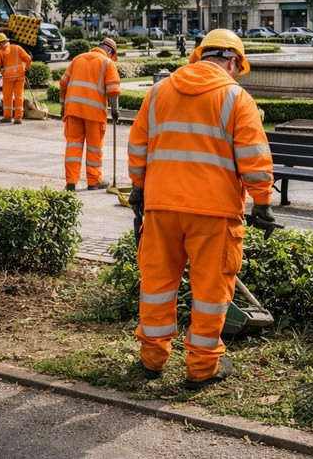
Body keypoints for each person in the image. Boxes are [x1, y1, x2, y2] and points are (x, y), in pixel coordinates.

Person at [127, 29, 274, 389]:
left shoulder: (158, 91)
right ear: (233, 62)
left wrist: (138, 188)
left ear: (199, 56)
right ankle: (203, 367)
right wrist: (263, 203)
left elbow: (138, 147)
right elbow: (254, 159)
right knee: (210, 292)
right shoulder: (236, 98)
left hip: (161, 206)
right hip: (214, 213)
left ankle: (152, 359)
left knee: (157, 284)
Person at [59, 37, 121, 191]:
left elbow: (63, 83)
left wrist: (62, 106)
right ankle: (94, 181)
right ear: (110, 52)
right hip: (94, 113)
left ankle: (71, 182)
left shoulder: (77, 59)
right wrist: (115, 110)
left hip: (73, 110)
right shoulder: (107, 63)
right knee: (94, 148)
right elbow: (113, 90)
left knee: (73, 145)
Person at [0, 33, 31, 124]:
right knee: (19, 96)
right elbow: (28, 59)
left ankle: (7, 116)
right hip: (20, 76)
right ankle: (18, 118)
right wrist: (27, 70)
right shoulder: (17, 48)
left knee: (7, 97)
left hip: (8, 78)